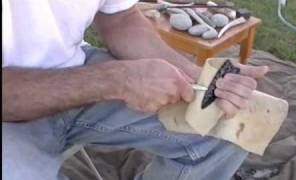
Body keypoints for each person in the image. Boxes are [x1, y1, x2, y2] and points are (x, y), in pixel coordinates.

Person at [2, 0, 268, 180]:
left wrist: (199, 78)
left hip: (74, 69)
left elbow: (121, 19)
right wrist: (113, 80)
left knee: (229, 126)